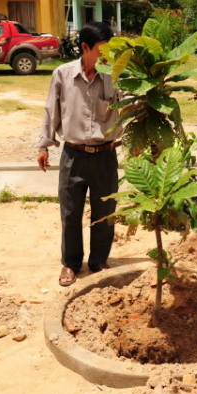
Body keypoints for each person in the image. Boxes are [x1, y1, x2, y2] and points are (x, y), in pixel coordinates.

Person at [37, 21, 120, 287]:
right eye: (103, 50)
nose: (107, 56)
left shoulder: (115, 76)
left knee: (105, 212)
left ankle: (98, 261)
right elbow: (52, 110)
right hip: (73, 155)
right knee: (70, 213)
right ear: (85, 47)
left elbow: (131, 106)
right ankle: (71, 264)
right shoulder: (62, 74)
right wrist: (43, 145)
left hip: (105, 155)